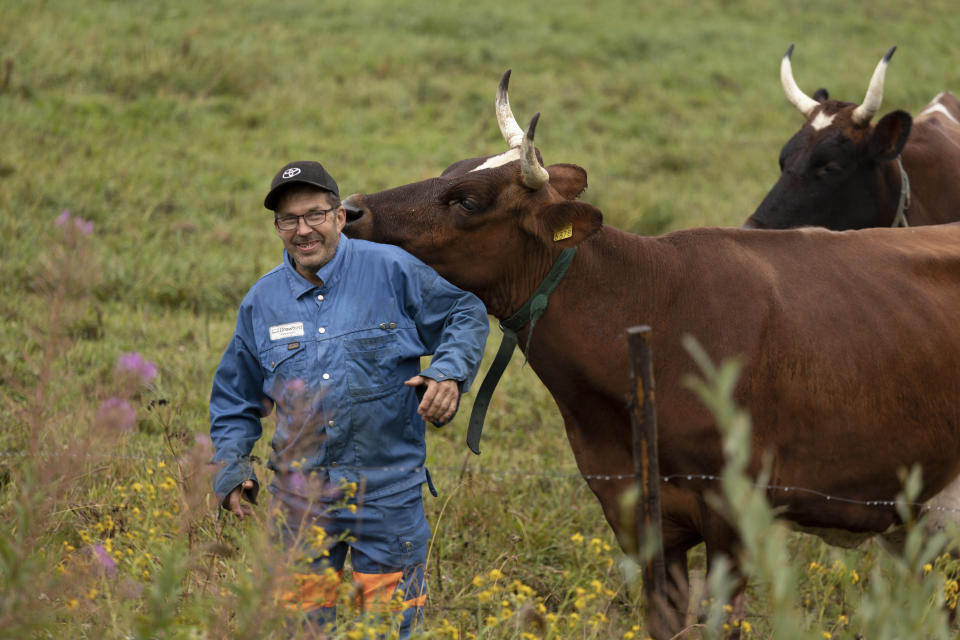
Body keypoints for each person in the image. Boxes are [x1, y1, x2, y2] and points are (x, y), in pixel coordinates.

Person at [209, 160, 489, 636]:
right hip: (300, 502)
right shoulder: (262, 302)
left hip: (386, 494)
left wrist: (448, 373)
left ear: (340, 216)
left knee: (385, 628)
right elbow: (236, 398)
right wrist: (231, 466)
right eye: (289, 220)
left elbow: (465, 312)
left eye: (315, 215)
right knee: (300, 629)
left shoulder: (392, 270)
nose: (304, 230)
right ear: (277, 227)